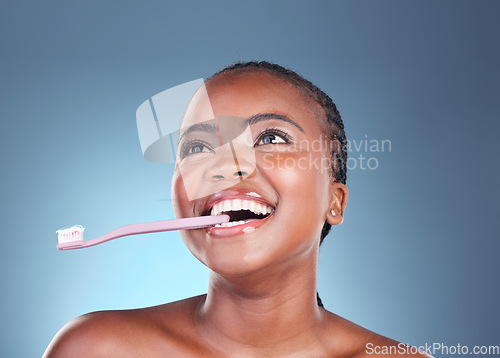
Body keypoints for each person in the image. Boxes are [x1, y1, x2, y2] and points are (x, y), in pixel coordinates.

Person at [44, 61, 430, 357]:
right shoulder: (95, 349)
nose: (227, 164)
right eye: (197, 147)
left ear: (335, 201)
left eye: (271, 137)